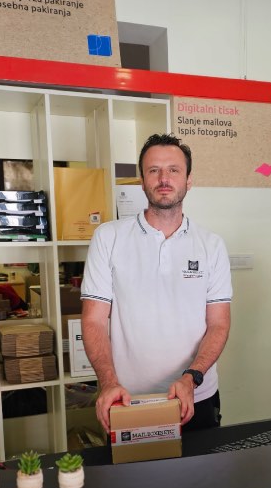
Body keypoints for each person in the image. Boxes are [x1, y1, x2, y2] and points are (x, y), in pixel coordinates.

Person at [81, 133, 233, 433]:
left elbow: (219, 324)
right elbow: (94, 320)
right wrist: (108, 382)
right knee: (133, 468)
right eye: (154, 170)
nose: (164, 179)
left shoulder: (211, 245)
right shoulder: (108, 238)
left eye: (174, 170)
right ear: (142, 180)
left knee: (203, 466)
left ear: (189, 180)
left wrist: (191, 379)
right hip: (127, 398)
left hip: (196, 396)